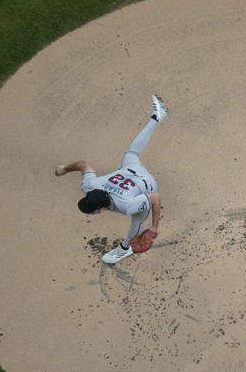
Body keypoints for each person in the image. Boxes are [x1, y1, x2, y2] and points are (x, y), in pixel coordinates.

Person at [55, 95, 168, 263]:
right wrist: (64, 169)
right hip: (130, 168)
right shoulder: (90, 185)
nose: (90, 213)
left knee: (138, 218)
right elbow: (83, 164)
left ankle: (124, 249)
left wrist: (154, 227)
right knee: (131, 153)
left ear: (101, 209)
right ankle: (157, 117)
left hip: (148, 183)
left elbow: (155, 198)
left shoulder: (127, 205)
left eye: (92, 211)